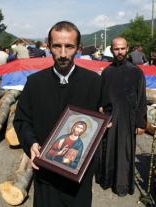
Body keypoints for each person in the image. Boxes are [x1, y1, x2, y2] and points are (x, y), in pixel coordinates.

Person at [13, 21, 101, 207]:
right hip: (46, 174)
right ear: (48, 47)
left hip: (78, 176)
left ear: (79, 48)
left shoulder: (94, 82)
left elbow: (105, 115)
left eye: (69, 46)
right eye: (57, 46)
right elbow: (22, 120)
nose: (63, 54)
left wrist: (107, 122)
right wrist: (32, 143)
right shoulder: (35, 83)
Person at [96, 37, 147, 196]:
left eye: (122, 49)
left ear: (127, 49)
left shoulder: (136, 72)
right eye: (116, 49)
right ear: (112, 50)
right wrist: (100, 112)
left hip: (127, 118)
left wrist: (140, 123)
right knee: (108, 149)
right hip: (110, 118)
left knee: (124, 153)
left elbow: (141, 98)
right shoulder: (107, 72)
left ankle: (122, 186)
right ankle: (107, 180)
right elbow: (101, 96)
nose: (119, 52)